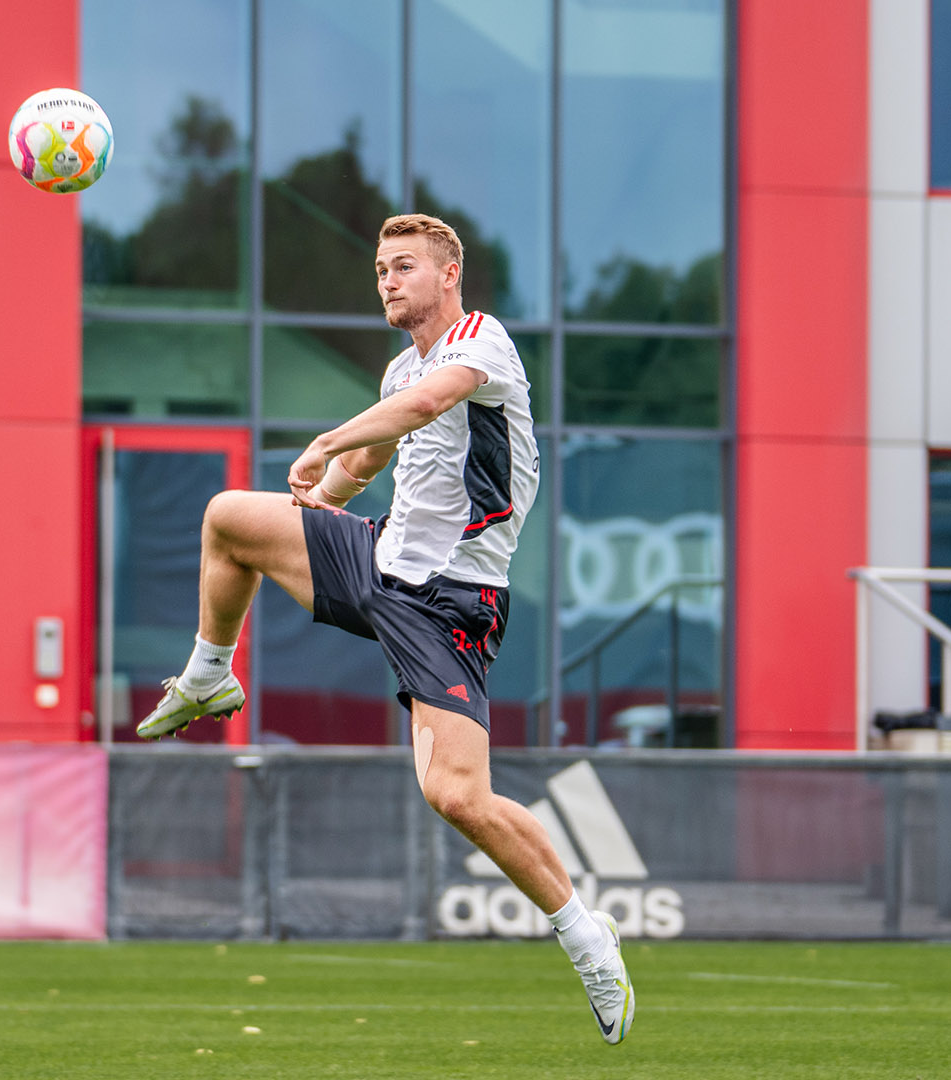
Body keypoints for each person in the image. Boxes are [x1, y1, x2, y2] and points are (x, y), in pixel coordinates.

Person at [136, 214, 633, 1045]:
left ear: (449, 275)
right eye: (379, 270)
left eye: (404, 267)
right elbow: (368, 461)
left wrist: (327, 439)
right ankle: (209, 672)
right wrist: (324, 488)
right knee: (229, 519)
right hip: (380, 563)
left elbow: (433, 400)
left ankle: (588, 938)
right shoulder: (401, 366)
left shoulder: (484, 341)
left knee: (455, 796)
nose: (388, 281)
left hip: (453, 601)